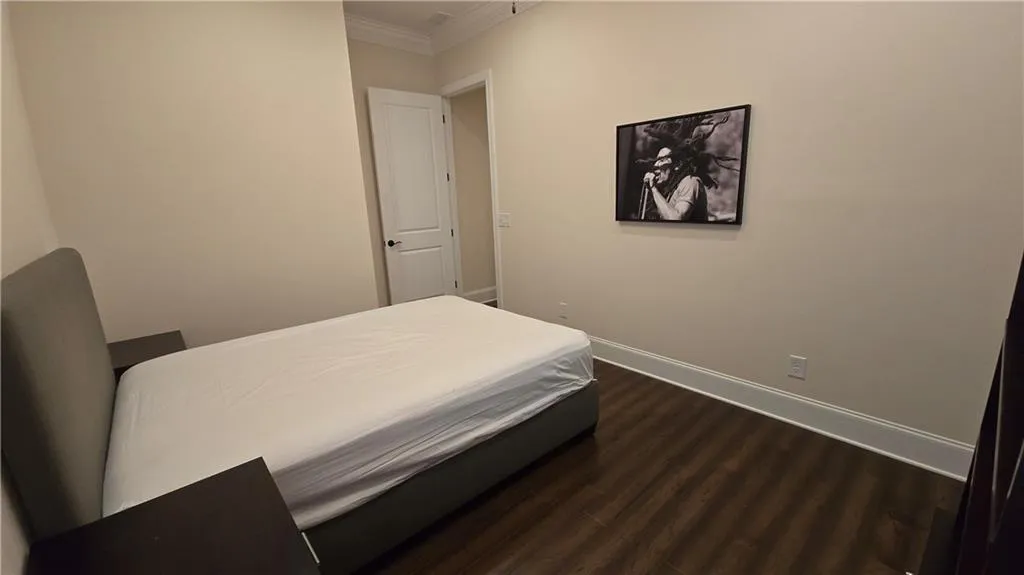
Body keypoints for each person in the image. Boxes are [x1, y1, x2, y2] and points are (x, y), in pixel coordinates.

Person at [641, 147, 708, 222]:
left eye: (662, 160)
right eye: (657, 160)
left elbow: (676, 219)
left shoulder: (690, 181)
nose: (656, 165)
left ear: (677, 165)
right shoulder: (670, 190)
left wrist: (654, 189)